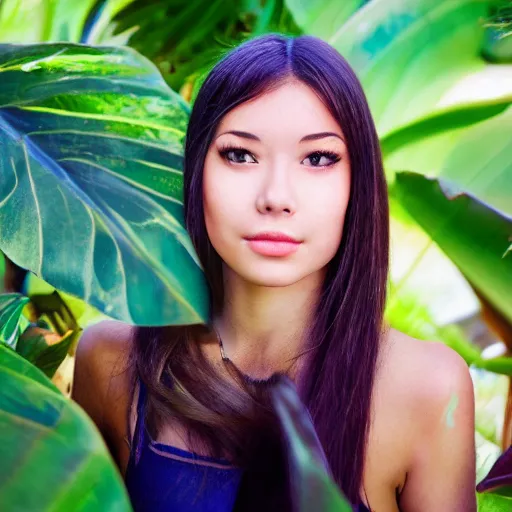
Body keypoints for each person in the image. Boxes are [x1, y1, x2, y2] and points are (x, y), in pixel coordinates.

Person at [72, 33, 477, 511]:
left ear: (358, 183)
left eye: (318, 159)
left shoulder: (427, 387)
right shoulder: (111, 361)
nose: (276, 196)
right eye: (240, 155)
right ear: (197, 170)